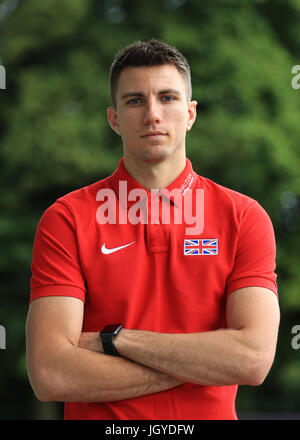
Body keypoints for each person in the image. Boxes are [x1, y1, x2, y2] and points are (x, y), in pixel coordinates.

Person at [26, 39, 280, 420]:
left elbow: (253, 359)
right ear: (114, 118)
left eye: (167, 98)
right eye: (134, 101)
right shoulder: (67, 218)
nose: (152, 114)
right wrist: (201, 365)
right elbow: (50, 373)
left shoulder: (244, 217)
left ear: (191, 113)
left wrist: (116, 340)